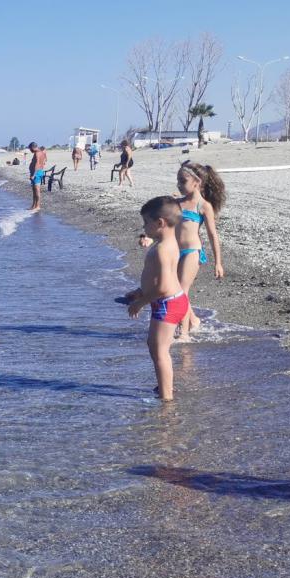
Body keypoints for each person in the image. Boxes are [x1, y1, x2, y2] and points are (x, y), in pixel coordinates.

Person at [126, 197, 186, 401]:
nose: (144, 227)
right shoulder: (168, 242)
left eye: (145, 223)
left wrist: (140, 302)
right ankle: (165, 386)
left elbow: (163, 287)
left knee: (158, 350)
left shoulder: (161, 250)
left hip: (166, 303)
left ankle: (166, 397)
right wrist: (141, 291)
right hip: (174, 301)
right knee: (158, 347)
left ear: (160, 223)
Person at [174, 161, 226, 338]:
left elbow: (212, 235)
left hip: (192, 252)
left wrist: (218, 263)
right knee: (174, 289)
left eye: (182, 181)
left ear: (196, 182)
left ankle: (184, 334)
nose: (179, 185)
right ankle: (193, 320)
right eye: (178, 181)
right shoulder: (176, 203)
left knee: (181, 291)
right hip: (175, 253)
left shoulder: (203, 206)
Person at [27, 142, 47, 211]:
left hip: (36, 173)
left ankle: (37, 206)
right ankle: (34, 205)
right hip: (39, 172)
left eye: (30, 149)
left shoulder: (37, 153)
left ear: (33, 147)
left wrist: (34, 175)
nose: (30, 150)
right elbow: (44, 161)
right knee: (34, 190)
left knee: (37, 190)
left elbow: (37, 164)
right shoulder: (42, 152)